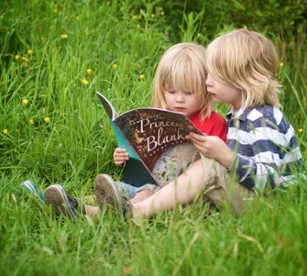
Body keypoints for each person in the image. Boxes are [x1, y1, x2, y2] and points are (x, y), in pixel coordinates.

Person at [94, 29, 305, 219]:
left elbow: (269, 180)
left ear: (243, 80)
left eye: (216, 75)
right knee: (164, 195)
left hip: (275, 205)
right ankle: (89, 211)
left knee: (206, 167)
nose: (207, 81)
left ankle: (136, 212)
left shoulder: (263, 118)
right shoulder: (239, 115)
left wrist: (224, 156)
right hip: (244, 196)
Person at [40, 42, 228, 218]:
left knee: (144, 193)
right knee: (119, 189)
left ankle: (88, 212)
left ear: (205, 90)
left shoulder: (214, 123)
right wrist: (124, 155)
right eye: (171, 91)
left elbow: (219, 169)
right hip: (147, 183)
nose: (179, 99)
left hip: (180, 195)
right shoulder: (156, 120)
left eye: (188, 92)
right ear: (161, 89)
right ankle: (65, 202)